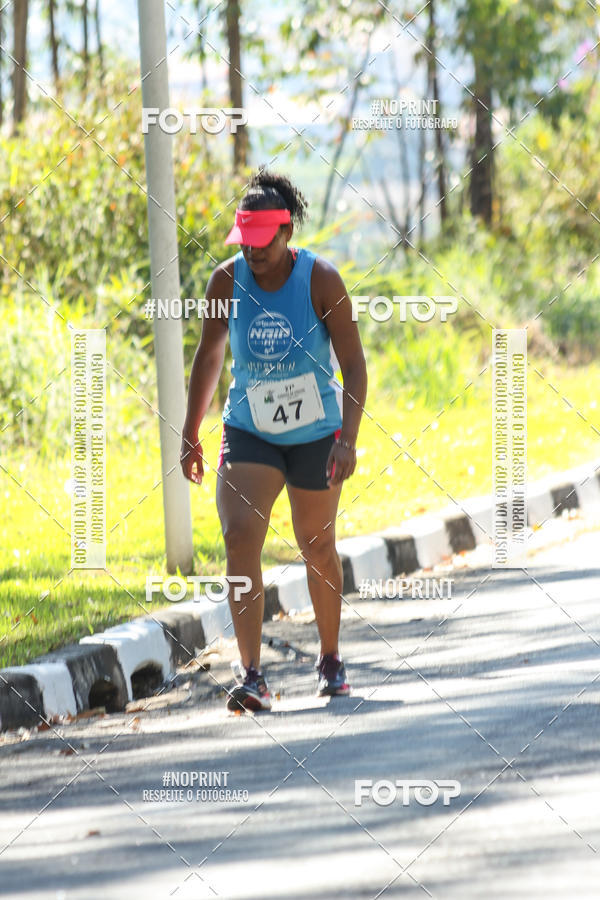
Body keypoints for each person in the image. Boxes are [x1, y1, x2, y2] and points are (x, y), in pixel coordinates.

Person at [180, 168, 367, 712]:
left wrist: (346, 439)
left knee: (316, 545)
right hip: (250, 429)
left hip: (314, 434)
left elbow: (354, 366)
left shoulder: (320, 280)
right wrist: (191, 431)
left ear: (286, 233)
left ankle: (330, 658)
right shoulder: (226, 281)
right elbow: (210, 357)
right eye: (246, 242)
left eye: (263, 242)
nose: (254, 253)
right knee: (239, 539)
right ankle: (252, 672)